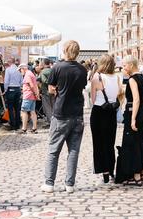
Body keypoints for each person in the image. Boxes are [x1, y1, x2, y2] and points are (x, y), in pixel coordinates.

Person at [43, 40, 88, 193]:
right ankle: (70, 184)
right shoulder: (83, 70)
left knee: (54, 150)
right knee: (73, 151)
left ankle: (49, 183)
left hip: (61, 112)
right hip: (77, 114)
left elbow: (50, 89)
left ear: (65, 50)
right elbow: (81, 88)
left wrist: (57, 91)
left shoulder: (57, 67)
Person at [115, 55, 143, 185]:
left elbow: (136, 99)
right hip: (141, 113)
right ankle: (138, 172)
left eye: (124, 65)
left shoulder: (133, 80)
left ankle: (135, 175)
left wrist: (133, 118)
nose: (123, 68)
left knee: (132, 143)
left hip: (133, 112)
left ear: (131, 65)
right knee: (140, 143)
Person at [89, 54, 122, 183]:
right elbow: (119, 95)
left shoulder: (97, 77)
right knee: (110, 142)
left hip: (99, 111)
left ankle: (104, 172)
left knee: (98, 143)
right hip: (111, 112)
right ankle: (110, 169)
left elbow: (92, 99)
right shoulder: (117, 77)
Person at [3, 58, 22, 131]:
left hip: (10, 89)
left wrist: (5, 89)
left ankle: (12, 125)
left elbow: (6, 81)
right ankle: (17, 124)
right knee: (17, 108)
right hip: (17, 89)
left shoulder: (8, 70)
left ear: (9, 62)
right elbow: (21, 81)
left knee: (10, 108)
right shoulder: (18, 69)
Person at [19, 63, 39, 133]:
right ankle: (34, 128)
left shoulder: (27, 74)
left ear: (23, 68)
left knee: (24, 111)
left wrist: (35, 93)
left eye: (20, 70)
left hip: (28, 95)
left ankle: (24, 128)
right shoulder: (31, 73)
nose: (20, 71)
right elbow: (34, 85)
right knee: (32, 111)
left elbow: (32, 85)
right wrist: (36, 94)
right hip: (32, 96)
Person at [38, 59, 54, 127]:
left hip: (45, 92)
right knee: (53, 107)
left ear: (44, 64)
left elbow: (43, 80)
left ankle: (51, 122)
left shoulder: (43, 72)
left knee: (47, 107)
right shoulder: (53, 70)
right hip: (53, 91)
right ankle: (54, 121)